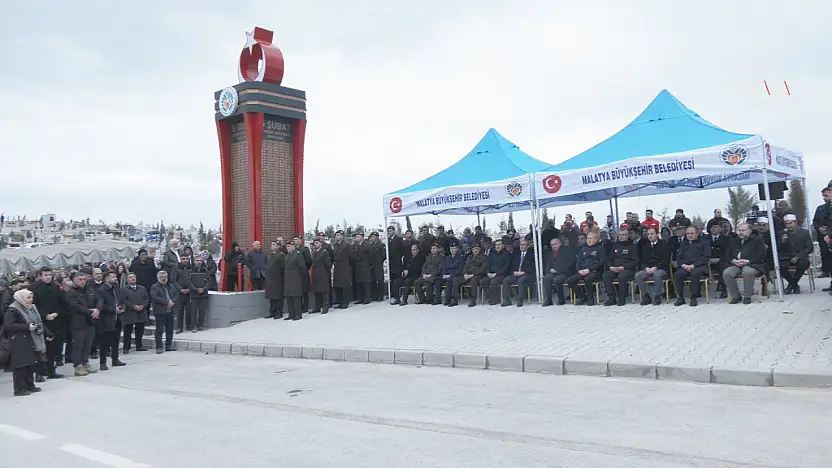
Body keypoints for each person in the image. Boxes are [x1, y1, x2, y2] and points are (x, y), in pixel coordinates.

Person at [3, 289, 47, 396]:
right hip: (18, 340)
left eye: (31, 297)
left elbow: (38, 321)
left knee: (30, 363)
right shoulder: (13, 310)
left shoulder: (31, 308)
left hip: (30, 338)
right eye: (28, 298)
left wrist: (47, 333)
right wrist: (27, 327)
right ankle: (19, 389)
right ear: (20, 298)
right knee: (20, 365)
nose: (31, 300)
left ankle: (30, 385)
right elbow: (8, 326)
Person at [29, 267, 65, 380]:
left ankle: (51, 370)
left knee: (53, 348)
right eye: (46, 275)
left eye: (50, 274)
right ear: (40, 276)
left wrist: (57, 313)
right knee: (40, 349)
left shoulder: (56, 288)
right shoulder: (34, 288)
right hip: (40, 322)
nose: (48, 277)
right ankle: (39, 373)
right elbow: (33, 306)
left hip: (55, 321)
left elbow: (61, 303)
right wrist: (45, 316)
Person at [64, 271, 99, 376]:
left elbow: (99, 299)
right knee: (78, 345)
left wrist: (98, 309)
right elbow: (75, 306)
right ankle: (77, 365)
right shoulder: (70, 292)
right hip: (78, 322)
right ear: (74, 280)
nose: (82, 281)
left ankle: (85, 362)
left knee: (88, 344)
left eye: (84, 279)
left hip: (90, 321)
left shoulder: (89, 290)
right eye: (80, 279)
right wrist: (91, 311)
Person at [723, 223, 767, 304]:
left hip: (753, 264)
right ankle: (736, 296)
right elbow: (727, 254)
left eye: (743, 230)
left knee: (747, 272)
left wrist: (747, 261)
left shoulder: (757, 240)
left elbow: (761, 254)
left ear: (750, 230)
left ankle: (747, 296)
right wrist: (733, 261)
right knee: (727, 273)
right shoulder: (734, 240)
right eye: (739, 230)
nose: (741, 232)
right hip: (737, 264)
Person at [95, 270, 126, 370]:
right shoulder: (101, 290)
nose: (115, 278)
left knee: (116, 340)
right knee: (104, 342)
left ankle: (115, 359)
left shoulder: (116, 289)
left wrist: (121, 307)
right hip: (106, 319)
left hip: (117, 318)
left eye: (115, 277)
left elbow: (121, 300)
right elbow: (101, 306)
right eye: (112, 277)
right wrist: (113, 309)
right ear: (106, 278)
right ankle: (103, 362)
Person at [673, 226, 710, 307]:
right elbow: (678, 257)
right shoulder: (683, 243)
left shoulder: (704, 242)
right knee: (678, 274)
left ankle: (694, 297)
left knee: (695, 273)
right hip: (685, 266)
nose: (690, 235)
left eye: (692, 233)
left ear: (697, 233)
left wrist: (694, 265)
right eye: (688, 233)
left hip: (699, 266)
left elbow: (705, 258)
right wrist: (684, 265)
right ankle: (681, 297)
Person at [601, 229, 640, 307]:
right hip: (614, 268)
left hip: (627, 269)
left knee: (622, 276)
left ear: (628, 236)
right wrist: (610, 266)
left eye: (623, 235)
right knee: (606, 275)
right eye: (619, 235)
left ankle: (622, 298)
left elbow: (635, 261)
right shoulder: (615, 245)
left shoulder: (633, 246)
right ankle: (612, 298)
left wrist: (623, 267)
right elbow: (609, 259)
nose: (621, 237)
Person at [567, 232, 606, 306]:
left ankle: (590, 298)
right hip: (582, 271)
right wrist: (579, 270)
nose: (589, 240)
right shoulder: (583, 249)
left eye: (591, 238)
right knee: (570, 280)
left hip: (595, 272)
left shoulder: (600, 248)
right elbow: (578, 261)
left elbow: (601, 262)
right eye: (588, 238)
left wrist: (589, 270)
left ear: (596, 239)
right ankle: (582, 297)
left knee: (587, 279)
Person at [778, 214, 813, 294]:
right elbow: (778, 248)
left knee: (803, 264)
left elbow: (809, 248)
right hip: (786, 256)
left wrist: (798, 257)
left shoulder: (804, 232)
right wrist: (783, 241)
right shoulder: (782, 233)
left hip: (801, 256)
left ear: (795, 222)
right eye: (786, 224)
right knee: (780, 266)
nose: (789, 225)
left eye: (790, 223)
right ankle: (795, 285)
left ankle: (791, 285)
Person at [634, 228, 670, 306]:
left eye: (652, 234)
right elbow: (643, 260)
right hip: (648, 269)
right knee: (638, 275)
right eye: (648, 234)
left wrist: (655, 268)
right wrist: (646, 268)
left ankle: (657, 296)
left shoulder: (664, 245)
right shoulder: (645, 246)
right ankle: (646, 296)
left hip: (661, 269)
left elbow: (665, 261)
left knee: (657, 274)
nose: (650, 236)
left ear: (657, 234)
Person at [541, 238, 577, 306]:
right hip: (554, 272)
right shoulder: (550, 253)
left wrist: (557, 270)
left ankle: (561, 299)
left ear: (560, 243)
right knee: (547, 278)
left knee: (557, 280)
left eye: (555, 244)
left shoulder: (567, 251)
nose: (554, 246)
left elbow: (570, 263)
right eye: (552, 245)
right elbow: (548, 264)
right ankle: (548, 300)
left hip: (565, 272)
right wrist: (549, 270)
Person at [501, 238, 536, 307]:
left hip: (527, 274)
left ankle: (520, 300)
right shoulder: (516, 254)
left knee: (521, 280)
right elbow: (512, 265)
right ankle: (507, 300)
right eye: (521, 245)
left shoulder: (532, 255)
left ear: (528, 246)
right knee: (506, 280)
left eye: (524, 245)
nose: (522, 246)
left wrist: (524, 272)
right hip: (516, 274)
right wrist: (514, 272)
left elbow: (533, 267)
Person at [150, 270, 179, 353]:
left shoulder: (170, 286)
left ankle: (168, 345)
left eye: (165, 277)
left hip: (170, 311)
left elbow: (176, 294)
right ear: (158, 278)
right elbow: (155, 297)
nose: (164, 278)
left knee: (169, 330)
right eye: (162, 277)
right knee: (159, 330)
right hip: (160, 311)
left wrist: (173, 301)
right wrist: (167, 302)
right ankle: (159, 347)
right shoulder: (154, 287)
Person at [120, 272, 149, 353]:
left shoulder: (142, 288)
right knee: (127, 331)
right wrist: (133, 306)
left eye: (133, 277)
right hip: (129, 312)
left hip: (141, 311)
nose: (132, 278)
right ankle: (126, 347)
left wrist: (143, 306)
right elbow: (124, 300)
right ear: (127, 279)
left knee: (140, 330)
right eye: (130, 277)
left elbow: (146, 298)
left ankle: (139, 345)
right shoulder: (124, 289)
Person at [812, 187, 832, 286]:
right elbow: (815, 221)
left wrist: (828, 229)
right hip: (822, 236)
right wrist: (819, 228)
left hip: (830, 235)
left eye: (827, 195)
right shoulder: (820, 208)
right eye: (823, 196)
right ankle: (826, 271)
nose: (825, 198)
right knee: (825, 254)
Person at [707, 222, 732, 299]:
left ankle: (724, 289)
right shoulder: (705, 238)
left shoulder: (727, 238)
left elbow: (728, 252)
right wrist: (708, 259)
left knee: (723, 267)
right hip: (708, 261)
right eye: (712, 227)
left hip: (721, 260)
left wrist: (719, 259)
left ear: (721, 228)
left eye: (715, 227)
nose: (713, 229)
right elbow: (701, 251)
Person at [283, 242, 307, 320]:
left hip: (296, 279)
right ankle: (291, 314)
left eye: (289, 246)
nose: (287, 248)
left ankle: (298, 314)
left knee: (296, 297)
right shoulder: (288, 255)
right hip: (288, 280)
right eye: (287, 246)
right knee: (289, 297)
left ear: (293, 246)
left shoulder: (298, 255)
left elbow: (302, 267)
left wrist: (301, 278)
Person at [331, 231, 354, 308]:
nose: (336, 237)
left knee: (345, 286)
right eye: (336, 235)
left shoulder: (347, 245)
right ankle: (340, 302)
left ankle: (345, 302)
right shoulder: (335, 245)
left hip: (345, 267)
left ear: (342, 236)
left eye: (338, 235)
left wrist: (348, 266)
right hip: (337, 267)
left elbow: (351, 257)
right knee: (338, 285)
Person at [188, 256, 211, 330]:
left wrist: (203, 289)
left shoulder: (205, 270)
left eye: (200, 260)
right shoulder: (190, 271)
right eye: (197, 260)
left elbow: (208, 282)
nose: (199, 262)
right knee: (193, 312)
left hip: (204, 294)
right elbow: (188, 282)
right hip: (194, 294)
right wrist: (196, 289)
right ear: (194, 261)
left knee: (202, 311)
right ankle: (194, 326)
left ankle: (201, 325)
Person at [310, 238, 333, 314]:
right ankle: (317, 307)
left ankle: (325, 307)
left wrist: (325, 272)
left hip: (323, 274)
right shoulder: (314, 252)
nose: (315, 244)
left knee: (324, 292)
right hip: (315, 275)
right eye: (315, 243)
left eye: (317, 242)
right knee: (317, 292)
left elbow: (328, 264)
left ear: (321, 243)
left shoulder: (324, 252)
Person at [170, 255, 191, 333]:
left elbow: (194, 279)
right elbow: (173, 280)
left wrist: (190, 289)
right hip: (179, 293)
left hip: (190, 293)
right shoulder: (175, 268)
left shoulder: (191, 268)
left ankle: (189, 326)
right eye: (183, 259)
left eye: (186, 259)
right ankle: (179, 327)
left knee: (189, 311)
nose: (185, 260)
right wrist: (180, 289)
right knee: (179, 311)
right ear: (180, 260)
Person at [265, 241, 286, 319]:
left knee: (278, 296)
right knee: (271, 296)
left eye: (274, 245)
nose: (272, 246)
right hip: (270, 279)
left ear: (278, 246)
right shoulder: (270, 255)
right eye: (272, 244)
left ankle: (279, 312)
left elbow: (283, 267)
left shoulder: (281, 255)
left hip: (278, 279)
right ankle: (272, 311)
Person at [365, 232, 387, 301]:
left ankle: (380, 296)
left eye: (374, 236)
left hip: (378, 264)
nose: (372, 238)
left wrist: (380, 261)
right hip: (372, 265)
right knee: (373, 280)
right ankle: (374, 296)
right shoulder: (370, 245)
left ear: (377, 237)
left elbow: (383, 255)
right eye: (371, 236)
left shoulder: (381, 245)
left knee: (380, 280)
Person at [352, 233, 372, 304]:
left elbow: (371, 256)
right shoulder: (355, 246)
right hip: (357, 266)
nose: (356, 238)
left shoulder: (367, 245)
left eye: (358, 236)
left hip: (365, 266)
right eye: (356, 237)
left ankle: (367, 298)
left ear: (362, 237)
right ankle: (360, 298)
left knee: (366, 283)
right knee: (359, 283)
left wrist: (369, 264)